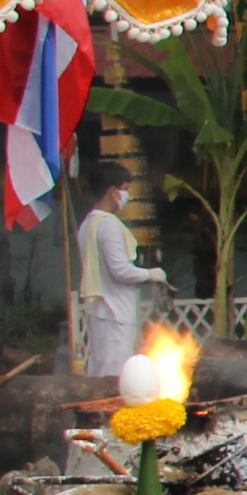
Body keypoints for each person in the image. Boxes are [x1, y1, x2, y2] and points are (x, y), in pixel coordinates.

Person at [74, 160, 169, 379]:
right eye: (125, 190)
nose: (127, 196)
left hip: (100, 309)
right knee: (114, 375)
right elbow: (120, 270)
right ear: (112, 191)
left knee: (100, 370)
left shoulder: (88, 223)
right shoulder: (108, 224)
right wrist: (152, 274)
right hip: (115, 311)